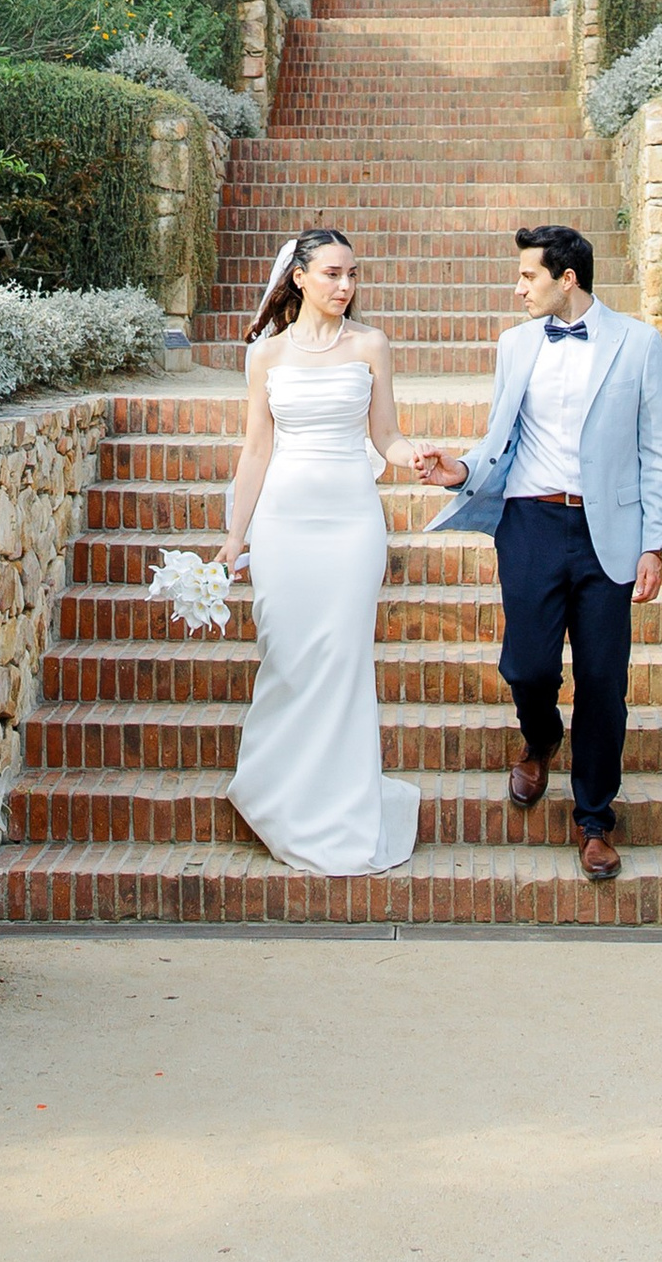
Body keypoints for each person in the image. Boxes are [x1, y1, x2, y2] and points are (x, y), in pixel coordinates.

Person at [413, 225, 662, 881]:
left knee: (603, 683)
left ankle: (594, 820)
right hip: (530, 522)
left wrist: (655, 542)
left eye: (528, 276)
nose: (517, 287)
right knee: (527, 668)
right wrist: (460, 471)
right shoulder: (515, 345)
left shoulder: (640, 345)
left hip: (606, 533)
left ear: (567, 279)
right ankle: (541, 737)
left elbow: (659, 453)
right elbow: (498, 440)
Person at [220, 227, 421, 876]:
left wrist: (411, 456)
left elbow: (386, 436)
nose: (346, 287)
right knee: (287, 656)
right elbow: (256, 450)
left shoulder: (371, 346)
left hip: (353, 525)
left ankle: (344, 813)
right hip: (284, 524)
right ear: (300, 278)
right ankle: (283, 797)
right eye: (333, 274)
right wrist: (234, 536)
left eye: (353, 275)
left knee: (342, 661)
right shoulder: (266, 357)